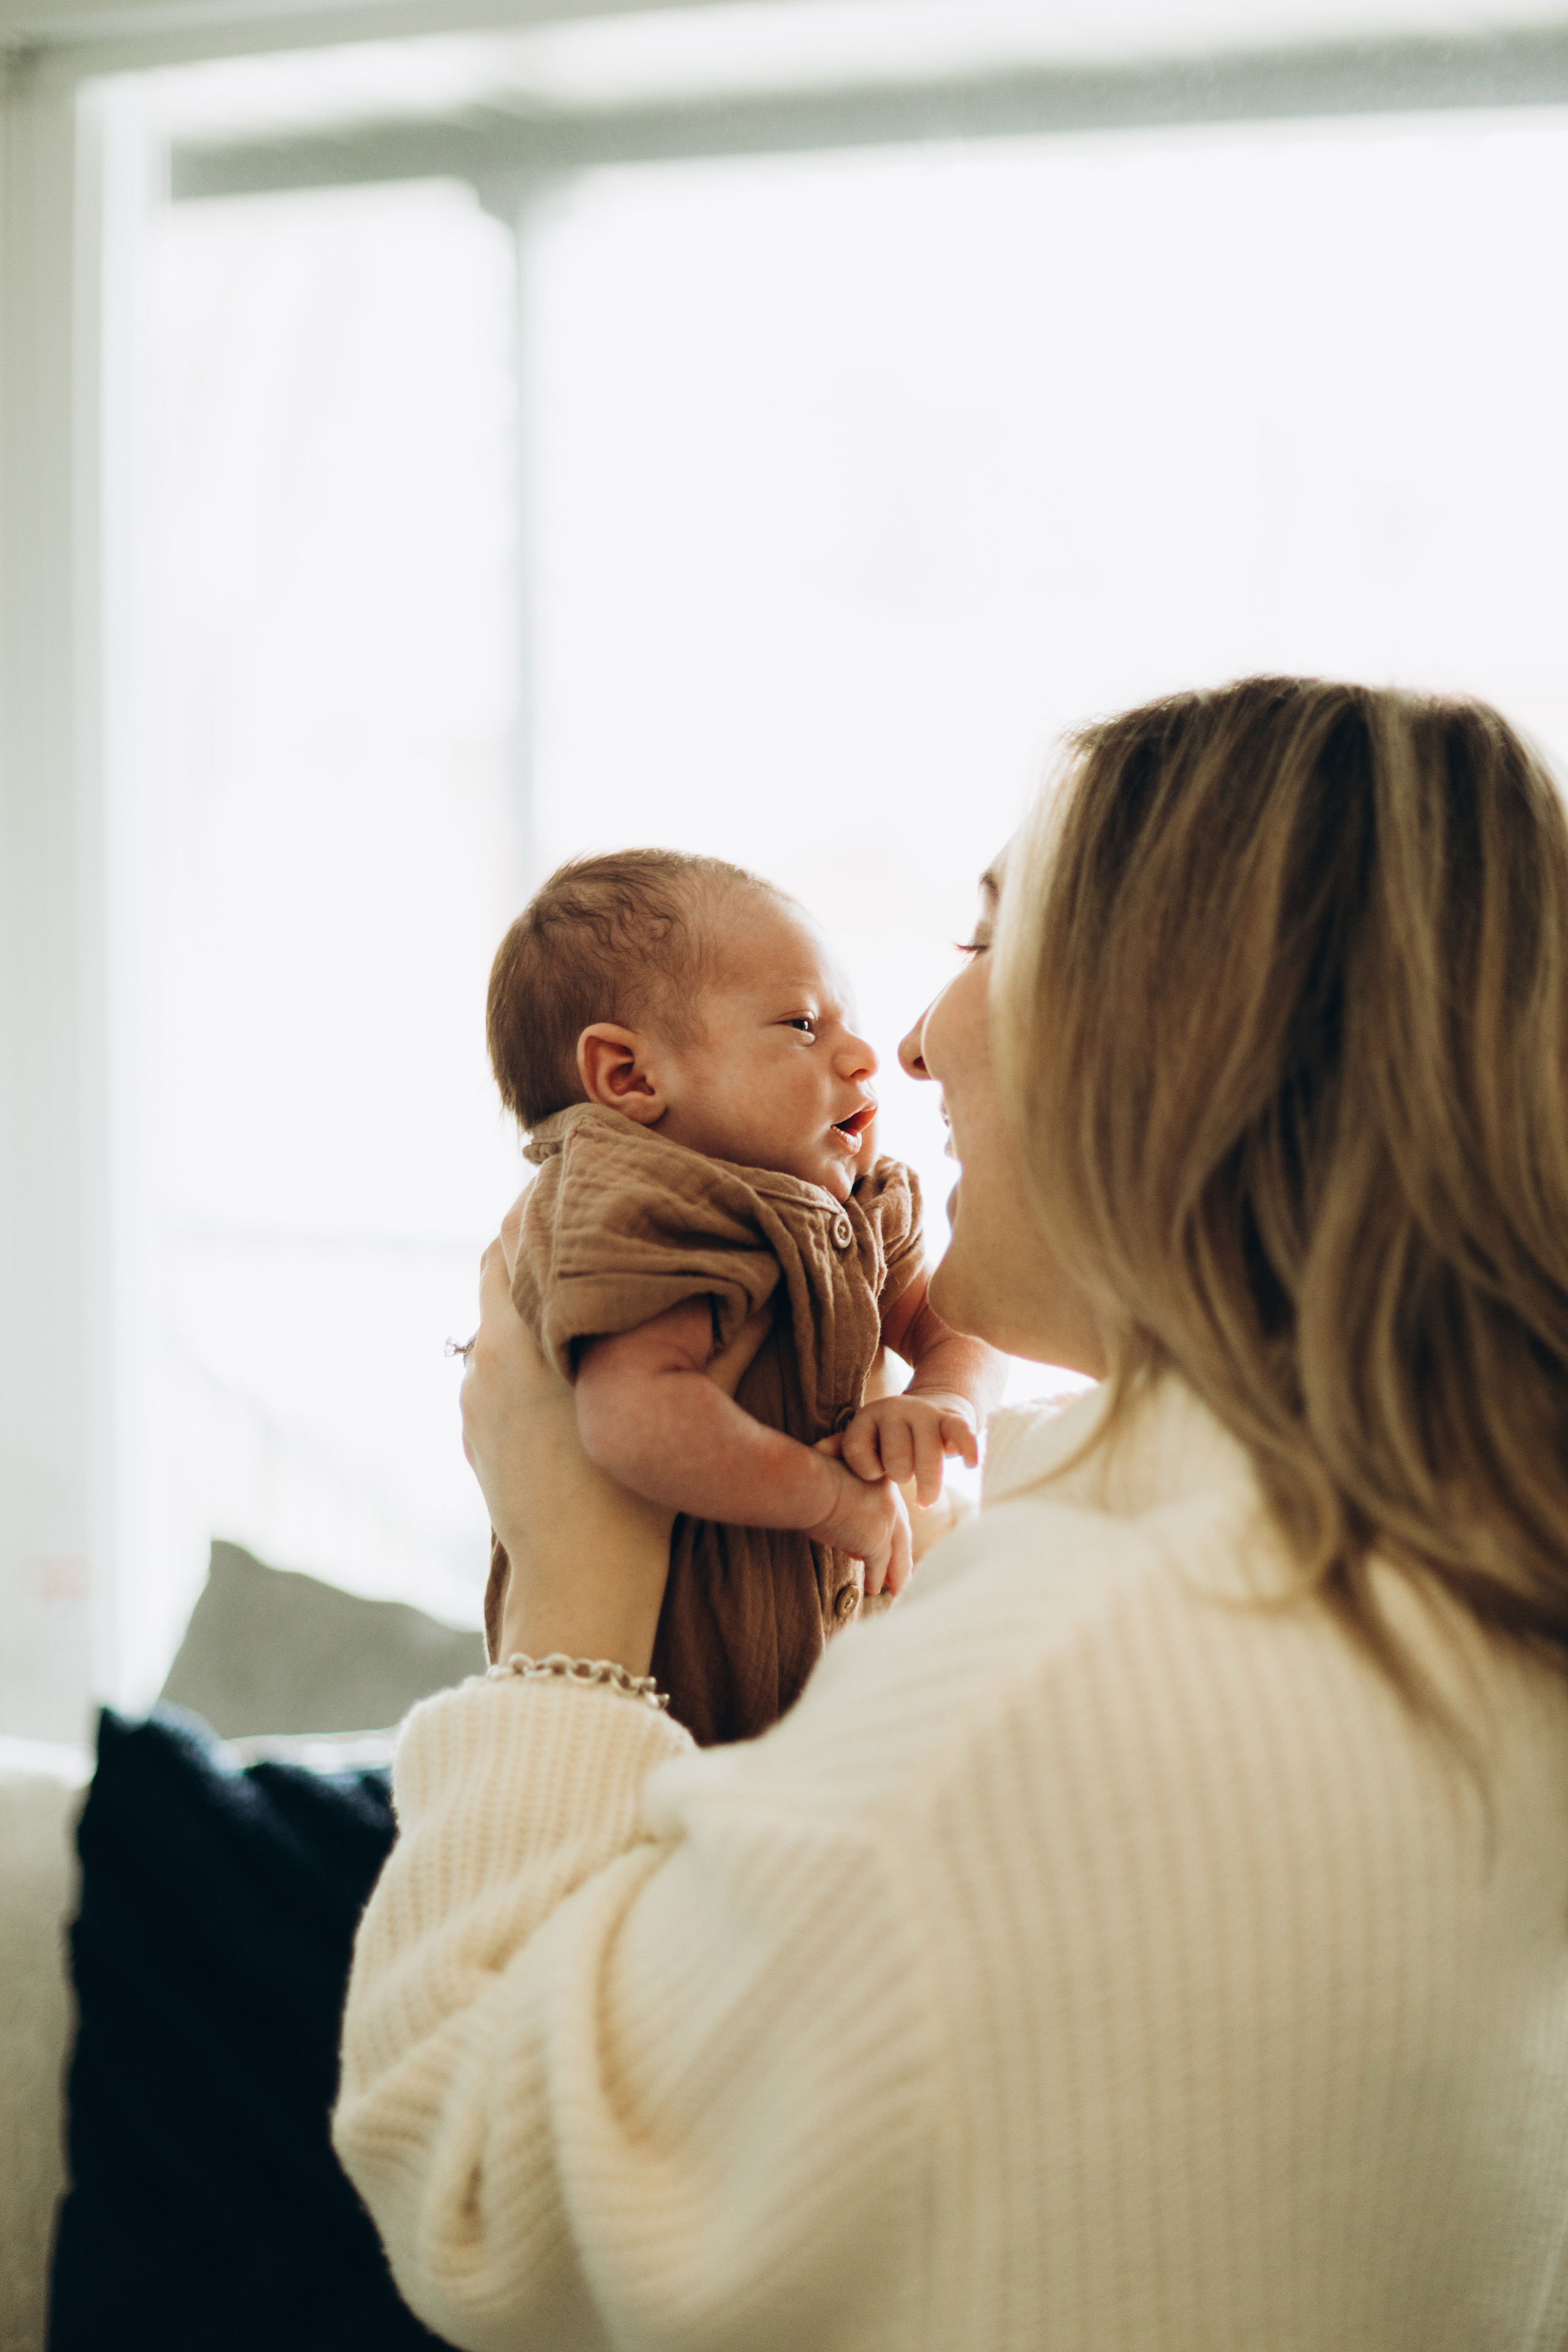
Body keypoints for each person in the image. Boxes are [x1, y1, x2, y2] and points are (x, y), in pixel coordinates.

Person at [334, 677, 1568, 2351]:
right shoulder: (1468, 1566)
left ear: (1175, 1031)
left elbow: (481, 2193)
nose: (908, 1045)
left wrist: (570, 1594)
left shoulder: (1062, 1676)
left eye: (989, 939)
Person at [481, 850, 1005, 1744]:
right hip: (654, 1712)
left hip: (825, 1706)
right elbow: (634, 1417)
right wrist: (830, 1501)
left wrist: (942, 1397)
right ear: (630, 1077)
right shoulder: (636, 1204)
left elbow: (956, 1322)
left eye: (847, 1022)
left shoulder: (860, 1199)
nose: (864, 1055)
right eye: (802, 1025)